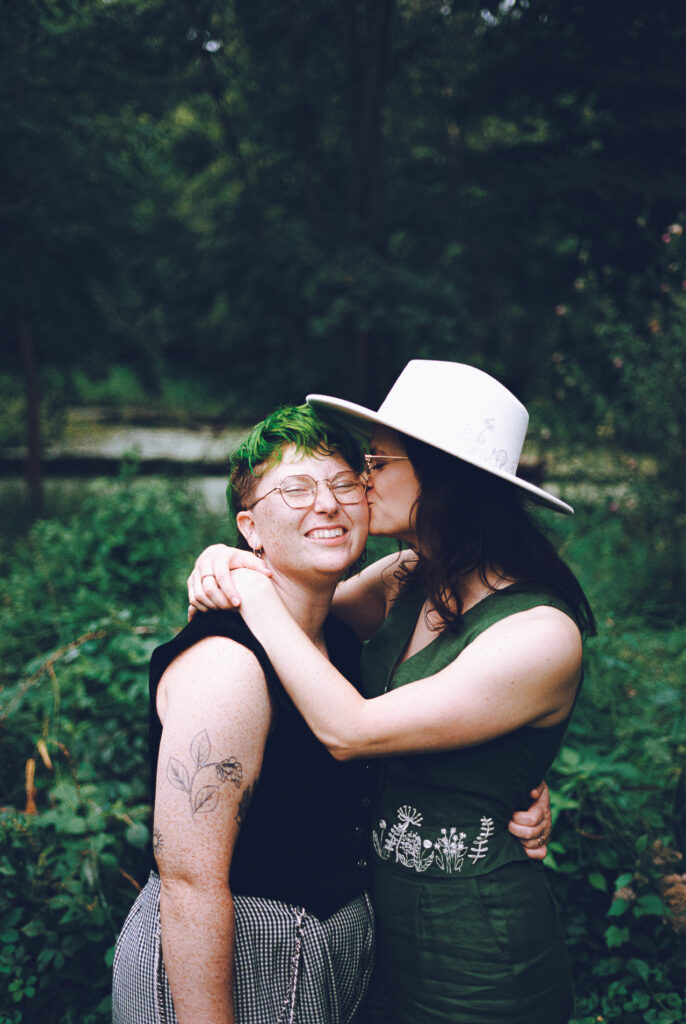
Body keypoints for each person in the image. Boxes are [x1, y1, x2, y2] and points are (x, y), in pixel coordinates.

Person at [186, 360, 596, 1024]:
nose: (363, 478)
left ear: (444, 476)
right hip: (376, 939)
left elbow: (350, 729)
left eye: (377, 461)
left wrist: (251, 589)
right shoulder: (406, 577)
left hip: (481, 960)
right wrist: (231, 558)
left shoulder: (541, 635)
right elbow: (297, 620)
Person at [112, 406, 377, 1024]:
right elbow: (189, 882)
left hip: (326, 955)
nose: (328, 504)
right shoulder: (226, 665)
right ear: (250, 528)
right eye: (296, 489)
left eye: (344, 484)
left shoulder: (342, 637)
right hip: (234, 964)